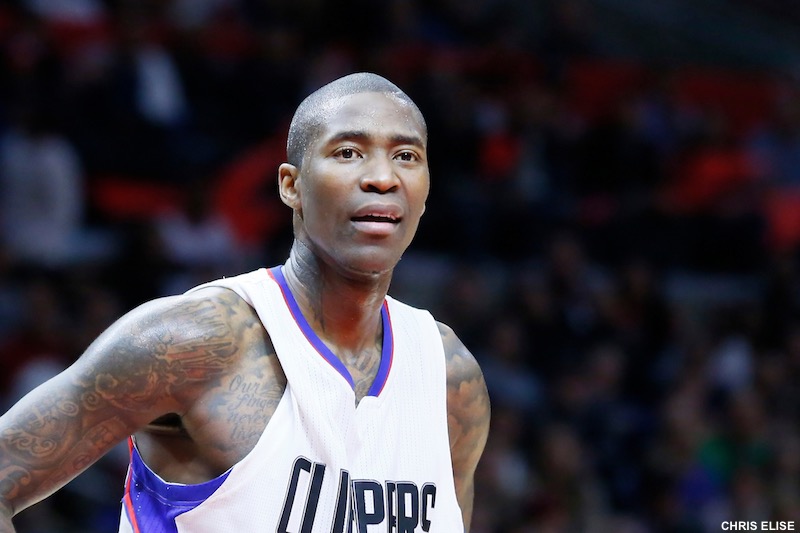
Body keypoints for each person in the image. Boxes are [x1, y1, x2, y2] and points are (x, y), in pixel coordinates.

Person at [0, 72, 491, 532]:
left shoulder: (450, 378)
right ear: (291, 186)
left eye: (406, 156)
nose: (382, 177)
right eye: (348, 152)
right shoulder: (193, 342)